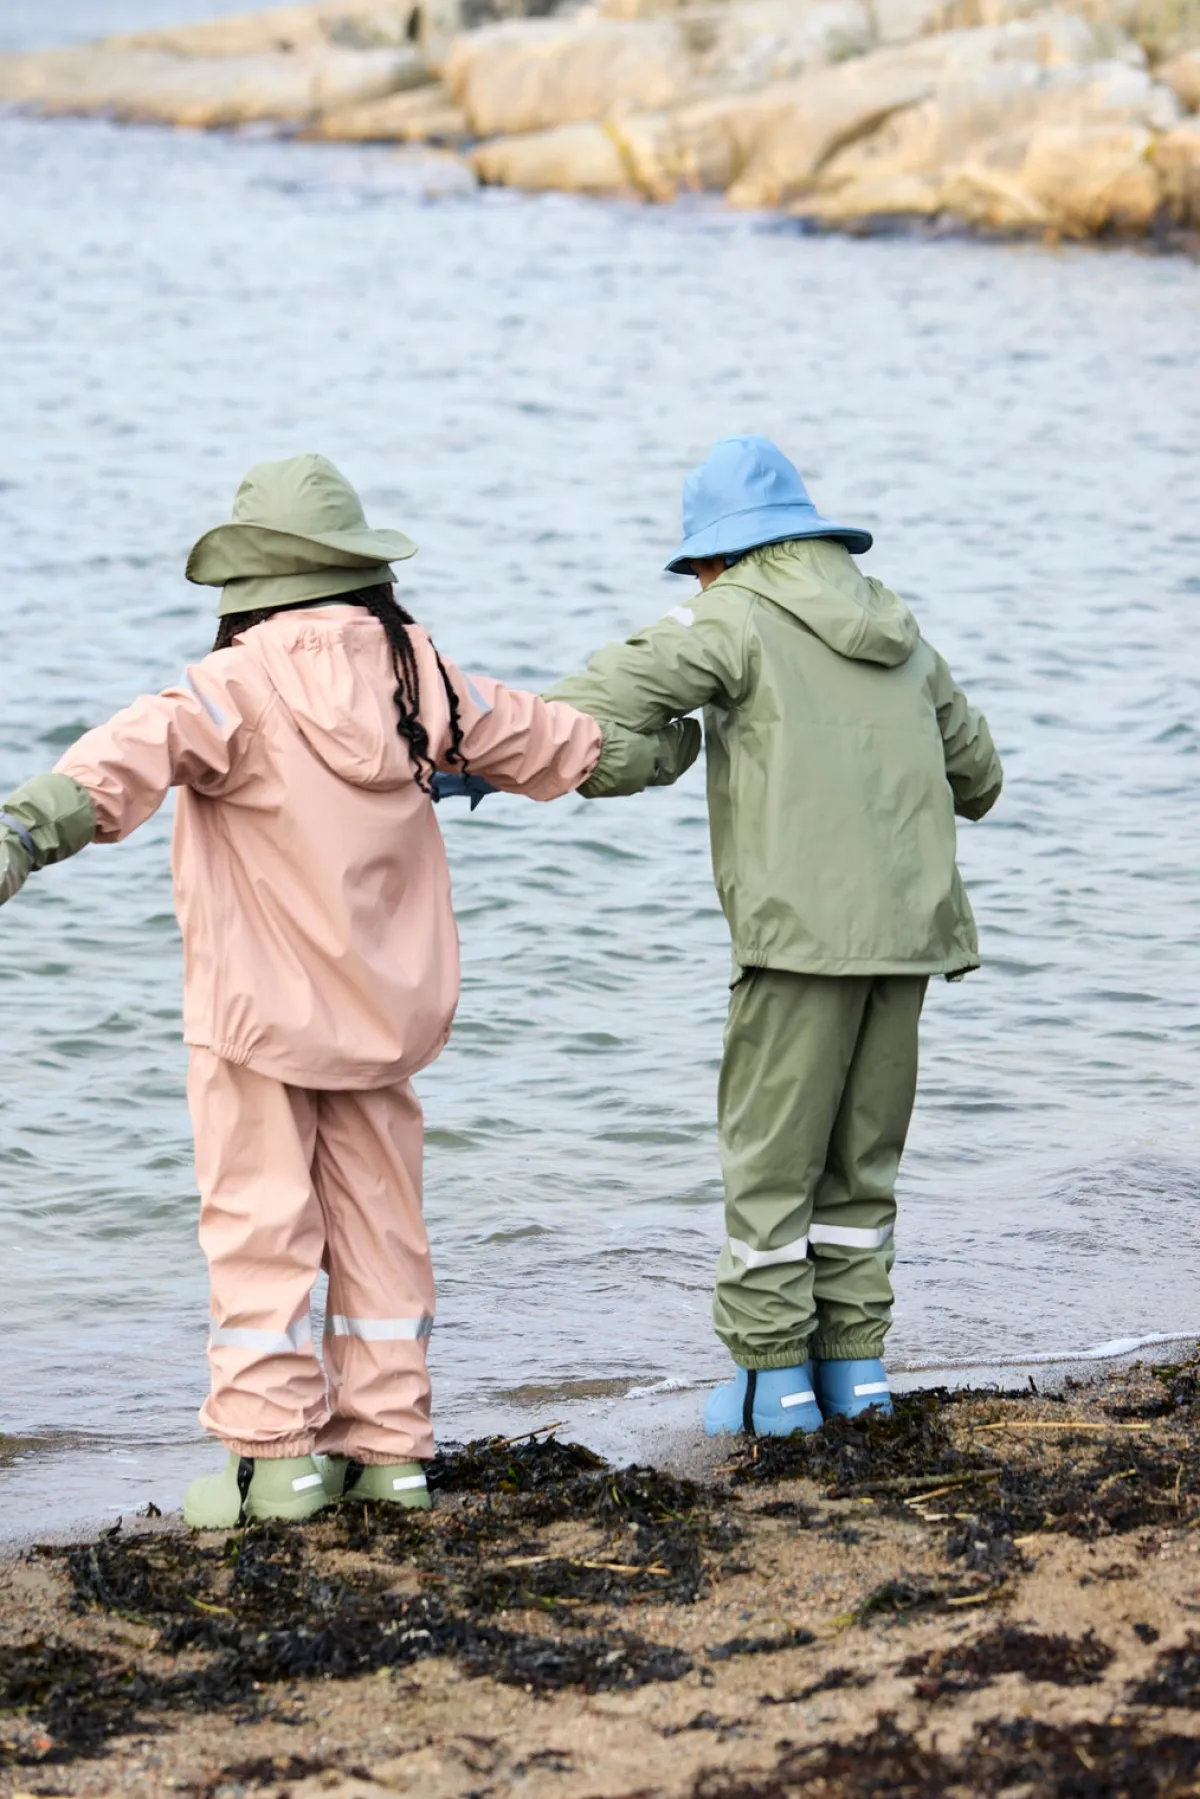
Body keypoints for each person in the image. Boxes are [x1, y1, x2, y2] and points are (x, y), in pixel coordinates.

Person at [0, 454, 698, 1525]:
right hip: (383, 1020)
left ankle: (273, 1464)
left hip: (256, 1024)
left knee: (260, 1228)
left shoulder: (229, 686)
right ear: (360, 568)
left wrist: (20, 834)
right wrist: (657, 750)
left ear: (250, 580)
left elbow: (111, 767)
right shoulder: (420, 676)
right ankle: (390, 1452)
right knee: (382, 1229)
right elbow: (553, 741)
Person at [546, 435, 1002, 1437]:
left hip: (798, 939)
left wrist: (662, 751)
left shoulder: (733, 615)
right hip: (911, 939)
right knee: (860, 1165)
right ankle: (858, 1372)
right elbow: (981, 777)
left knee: (771, 1167)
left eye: (699, 568)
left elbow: (580, 711)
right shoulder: (899, 625)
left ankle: (775, 1385)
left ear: (718, 556)